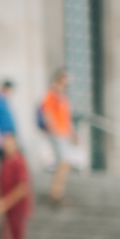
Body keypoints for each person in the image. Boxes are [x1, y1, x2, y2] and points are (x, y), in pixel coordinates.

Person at [40, 69, 78, 206]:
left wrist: (73, 134)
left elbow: (68, 118)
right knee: (64, 162)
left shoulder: (63, 97)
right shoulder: (52, 95)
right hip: (57, 134)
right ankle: (56, 194)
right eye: (65, 79)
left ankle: (57, 192)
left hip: (65, 134)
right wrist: (54, 130)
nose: (67, 82)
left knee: (64, 163)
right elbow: (47, 113)